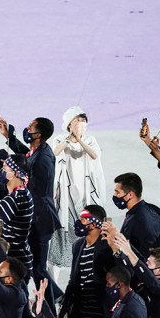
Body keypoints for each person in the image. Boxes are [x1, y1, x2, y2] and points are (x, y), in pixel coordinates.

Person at [0, 115, 62, 313]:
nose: (27, 128)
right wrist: (9, 137)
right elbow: (26, 157)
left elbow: (38, 192)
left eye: (30, 127)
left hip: (41, 222)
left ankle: (50, 312)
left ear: (39, 134)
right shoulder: (37, 152)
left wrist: (15, 181)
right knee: (37, 268)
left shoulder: (43, 160)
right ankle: (57, 295)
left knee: (39, 270)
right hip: (37, 220)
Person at [48, 106, 106, 273]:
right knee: (61, 239)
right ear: (69, 124)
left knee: (88, 234)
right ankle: (53, 290)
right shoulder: (60, 139)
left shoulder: (90, 140)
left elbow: (94, 155)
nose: (81, 123)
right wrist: (69, 139)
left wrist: (79, 139)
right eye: (77, 120)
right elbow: (55, 153)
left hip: (86, 197)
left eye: (83, 120)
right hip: (66, 197)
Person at [112, 172, 160, 256]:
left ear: (130, 195)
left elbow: (129, 255)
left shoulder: (134, 220)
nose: (115, 195)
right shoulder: (154, 209)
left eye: (117, 192)